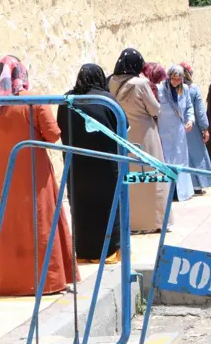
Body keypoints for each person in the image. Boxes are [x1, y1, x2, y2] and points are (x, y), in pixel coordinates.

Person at [0, 56, 77, 296]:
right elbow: (53, 135)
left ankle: (13, 282)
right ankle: (48, 281)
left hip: (3, 173)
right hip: (35, 172)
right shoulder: (32, 100)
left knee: (8, 223)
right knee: (41, 221)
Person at [57, 64, 121, 263]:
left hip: (76, 165)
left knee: (82, 207)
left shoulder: (67, 100)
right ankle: (109, 251)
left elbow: (60, 126)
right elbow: (122, 126)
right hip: (105, 164)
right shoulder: (105, 100)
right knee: (108, 205)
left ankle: (84, 251)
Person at [109, 49, 172, 233]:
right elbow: (154, 109)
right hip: (145, 134)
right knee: (153, 177)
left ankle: (133, 220)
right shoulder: (141, 83)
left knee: (131, 178)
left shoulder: (111, 82)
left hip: (124, 133)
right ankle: (155, 221)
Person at [158, 65, 196, 202]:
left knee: (181, 160)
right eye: (173, 79)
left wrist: (190, 120)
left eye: (179, 79)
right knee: (166, 160)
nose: (175, 82)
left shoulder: (184, 89)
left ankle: (183, 192)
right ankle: (169, 193)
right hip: (164, 130)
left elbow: (189, 107)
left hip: (179, 131)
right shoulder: (160, 89)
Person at [180, 62, 211, 194]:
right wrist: (205, 128)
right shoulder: (193, 89)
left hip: (177, 128)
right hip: (192, 128)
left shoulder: (171, 89)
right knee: (197, 155)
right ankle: (198, 184)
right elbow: (200, 111)